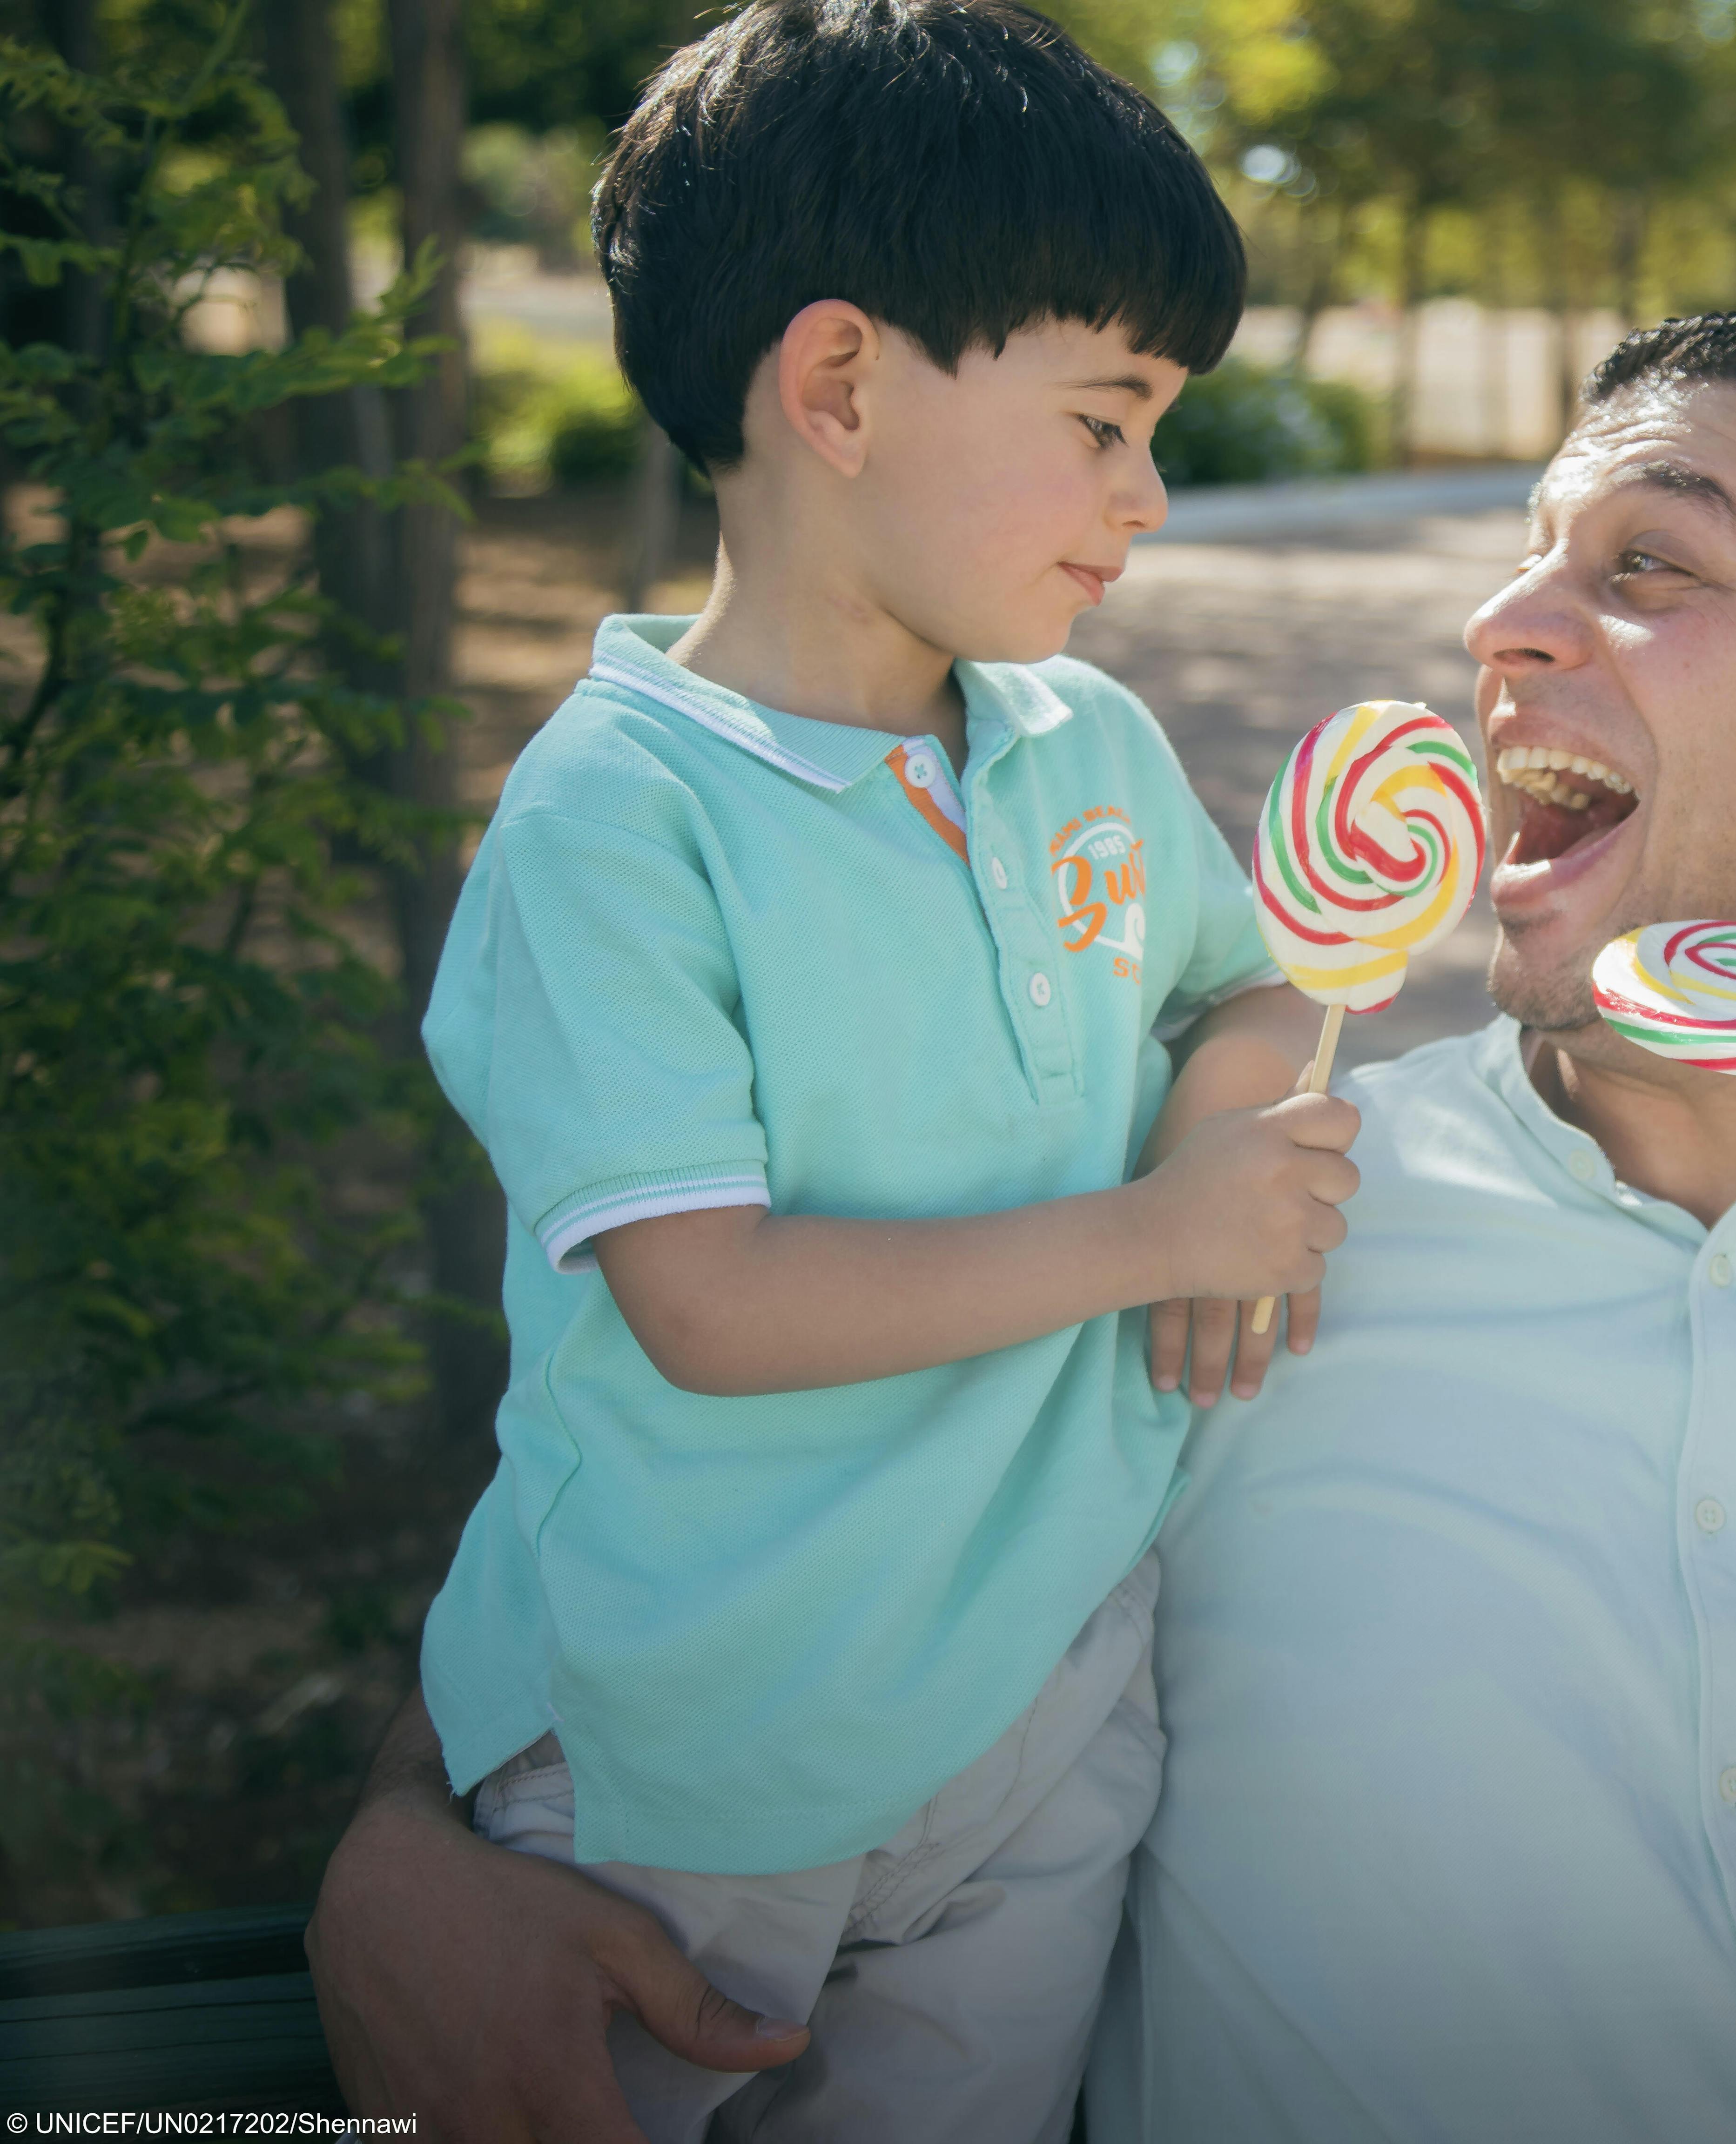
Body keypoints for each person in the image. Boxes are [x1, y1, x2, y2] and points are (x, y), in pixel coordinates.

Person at [310, 312, 1736, 2141]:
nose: (1505, 625)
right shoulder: (1221, 1229)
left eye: (1649, 569)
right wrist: (402, 1856)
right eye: (1529, 561)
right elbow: (697, 1518)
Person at [330, 3, 1360, 2136]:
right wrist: (1149, 1232)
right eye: (1104, 419)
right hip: (702, 1735)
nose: (1147, 497)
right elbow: (706, 1303)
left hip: (1050, 1694)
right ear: (837, 387)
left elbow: (1251, 988)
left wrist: (1222, 1109)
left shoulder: (1087, 745)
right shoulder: (618, 817)